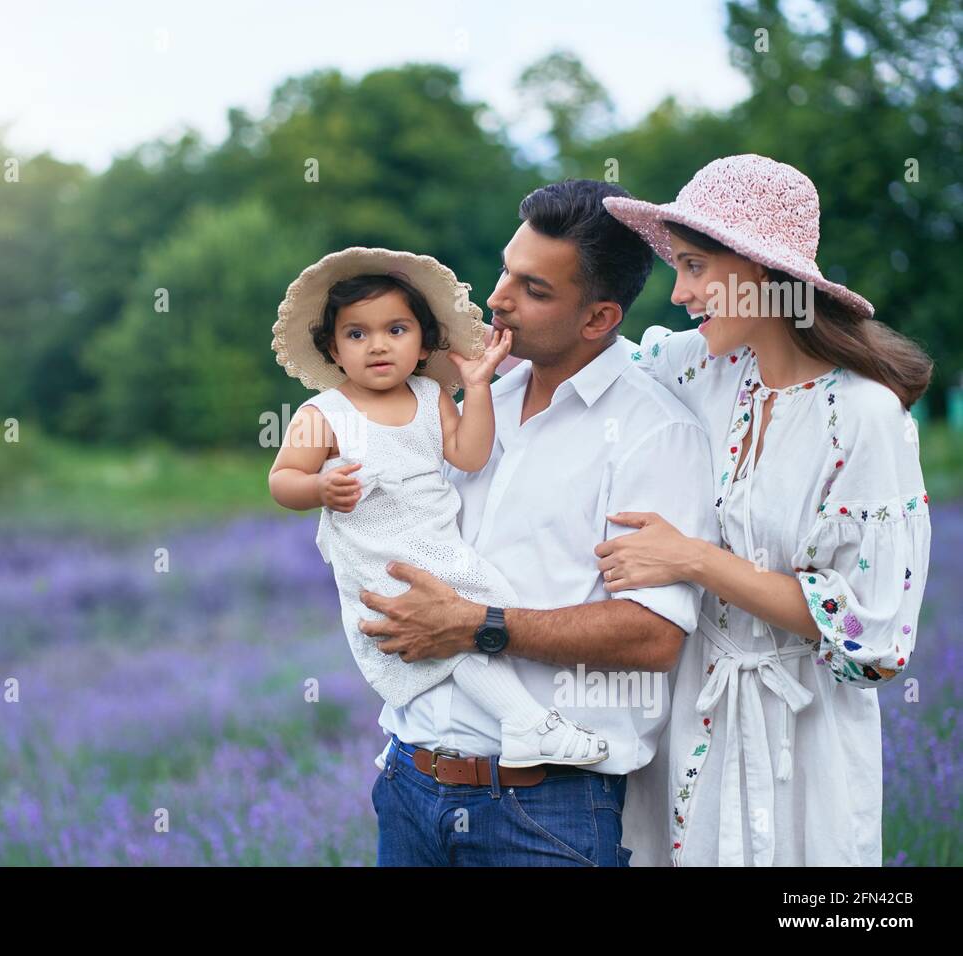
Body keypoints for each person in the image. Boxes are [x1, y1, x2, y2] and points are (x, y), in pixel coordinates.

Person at [351, 181, 720, 866]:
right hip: (408, 783)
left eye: (534, 289)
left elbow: (653, 634)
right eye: (505, 270)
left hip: (543, 814)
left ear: (598, 317)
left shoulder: (652, 433)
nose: (498, 299)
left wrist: (476, 624)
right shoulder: (475, 399)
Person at [596, 153, 933, 865]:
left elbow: (872, 636)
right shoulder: (697, 369)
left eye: (695, 267)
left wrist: (691, 557)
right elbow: (588, 356)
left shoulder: (865, 417)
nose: (679, 293)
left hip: (805, 740)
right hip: (690, 720)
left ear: (760, 272)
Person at [268, 248, 609, 768]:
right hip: (378, 556)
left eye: (396, 330)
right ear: (334, 350)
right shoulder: (325, 413)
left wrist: (477, 389)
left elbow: (469, 455)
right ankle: (527, 724)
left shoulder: (431, 397)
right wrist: (318, 487)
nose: (377, 345)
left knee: (473, 618)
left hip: (434, 543)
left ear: (424, 342)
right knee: (446, 635)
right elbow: (282, 480)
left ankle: (431, 733)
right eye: (356, 334)